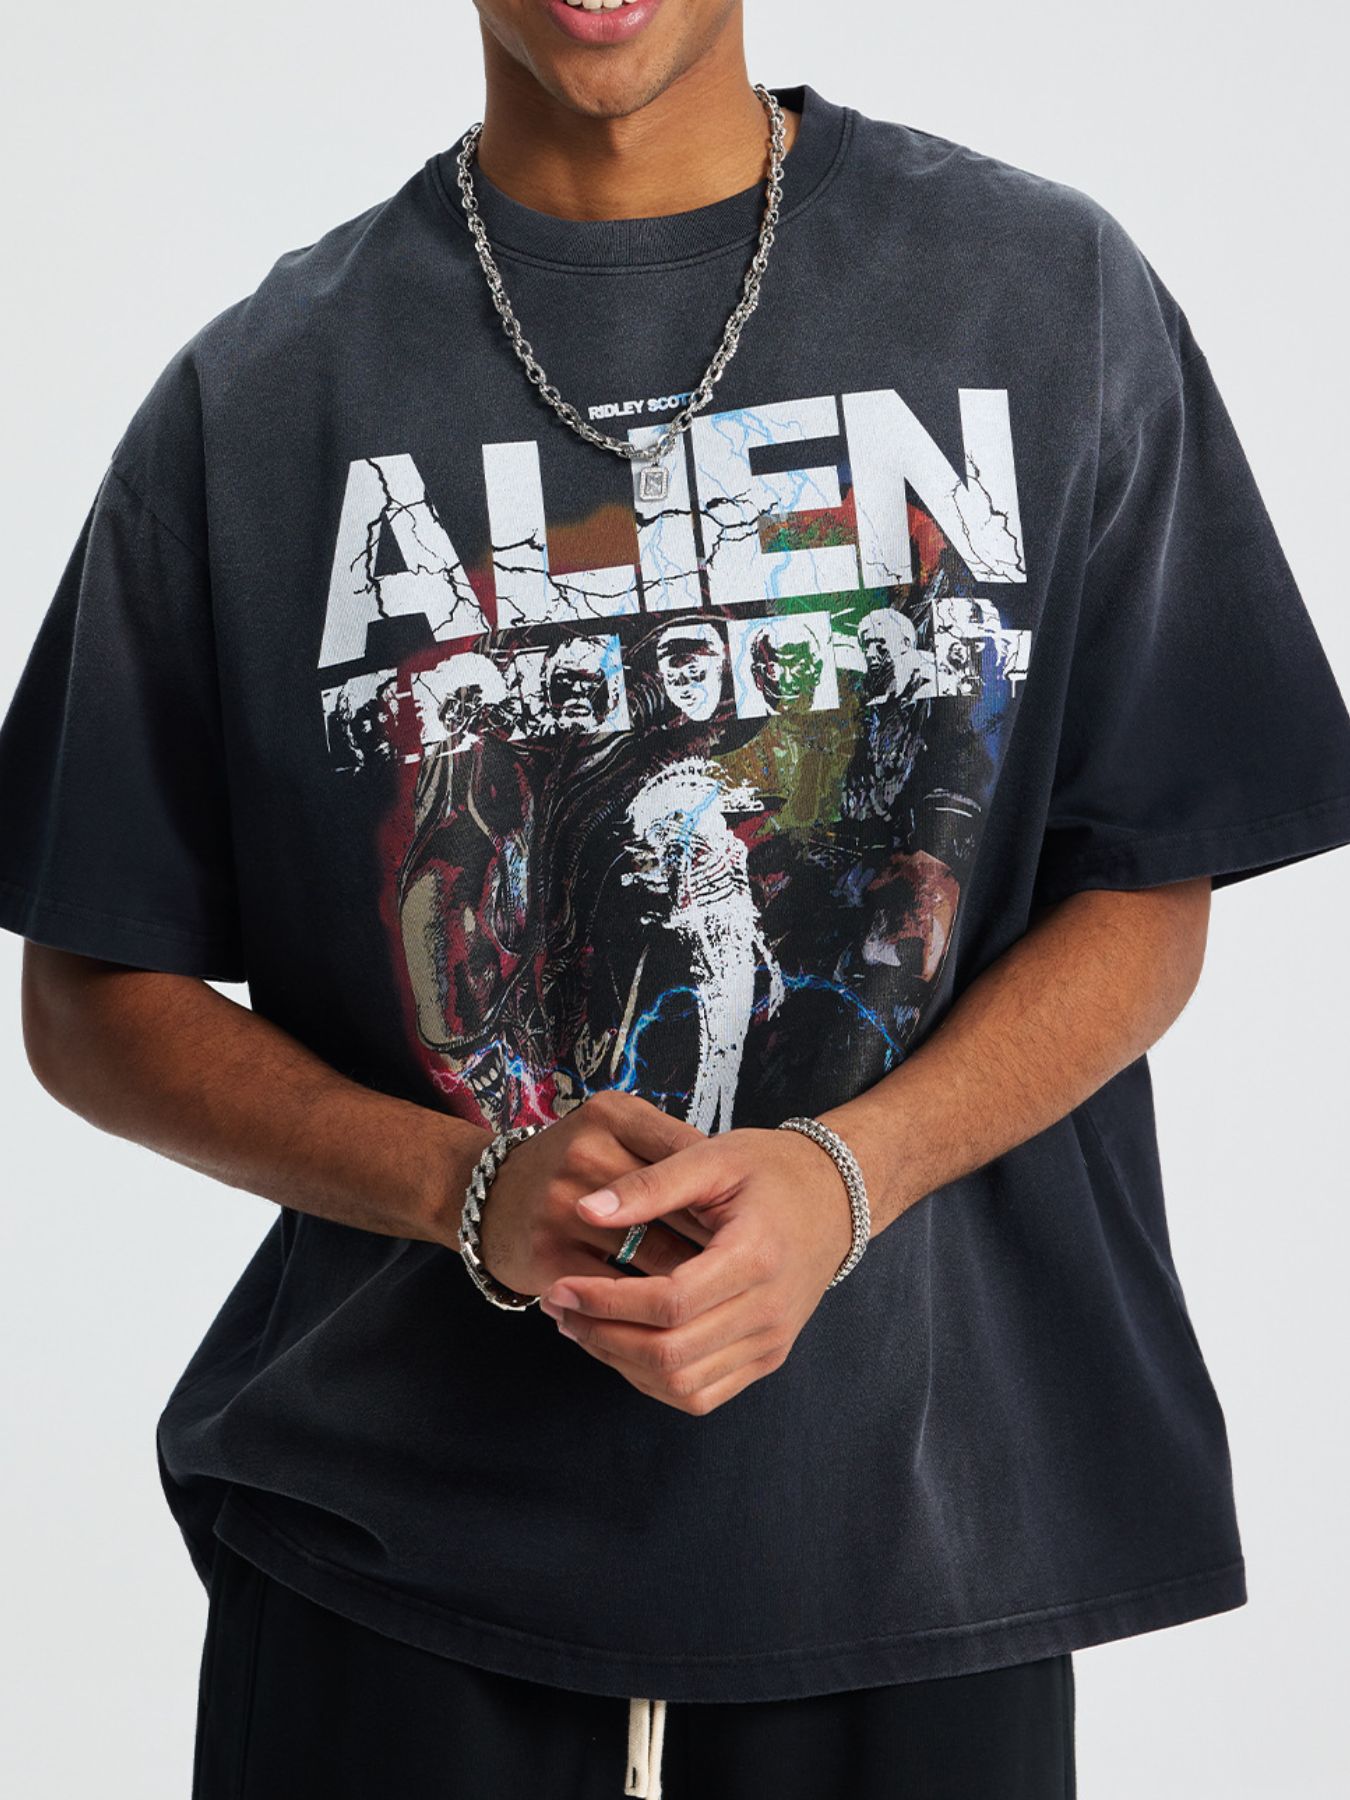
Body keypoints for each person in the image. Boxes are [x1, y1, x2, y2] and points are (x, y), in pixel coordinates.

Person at [3, 2, 1349, 1796]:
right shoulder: (260, 391)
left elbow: (1148, 877)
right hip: (391, 1563)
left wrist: (849, 1177)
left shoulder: (1039, 297)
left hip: (915, 1548)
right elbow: (96, 987)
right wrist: (465, 1189)